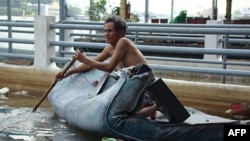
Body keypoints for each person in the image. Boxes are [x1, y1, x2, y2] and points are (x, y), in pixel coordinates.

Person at [56, 15, 157, 118]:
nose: (106, 34)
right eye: (105, 31)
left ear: (121, 32)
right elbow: (89, 64)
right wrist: (68, 73)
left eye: (110, 31)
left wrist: (85, 59)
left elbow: (109, 67)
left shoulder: (123, 42)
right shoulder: (109, 48)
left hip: (145, 84)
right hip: (132, 85)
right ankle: (149, 107)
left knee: (133, 115)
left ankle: (155, 107)